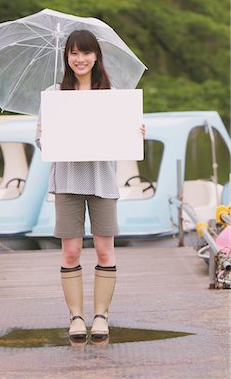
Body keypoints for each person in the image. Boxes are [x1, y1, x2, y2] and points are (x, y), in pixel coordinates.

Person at [35, 29, 145, 343]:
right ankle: (76, 317)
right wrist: (46, 132)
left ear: (96, 56)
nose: (79, 59)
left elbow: (125, 139)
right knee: (70, 253)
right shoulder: (54, 94)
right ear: (66, 57)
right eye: (73, 53)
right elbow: (42, 141)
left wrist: (136, 132)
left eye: (86, 53)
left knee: (103, 249)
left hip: (103, 181)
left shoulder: (113, 95)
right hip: (68, 181)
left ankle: (100, 316)